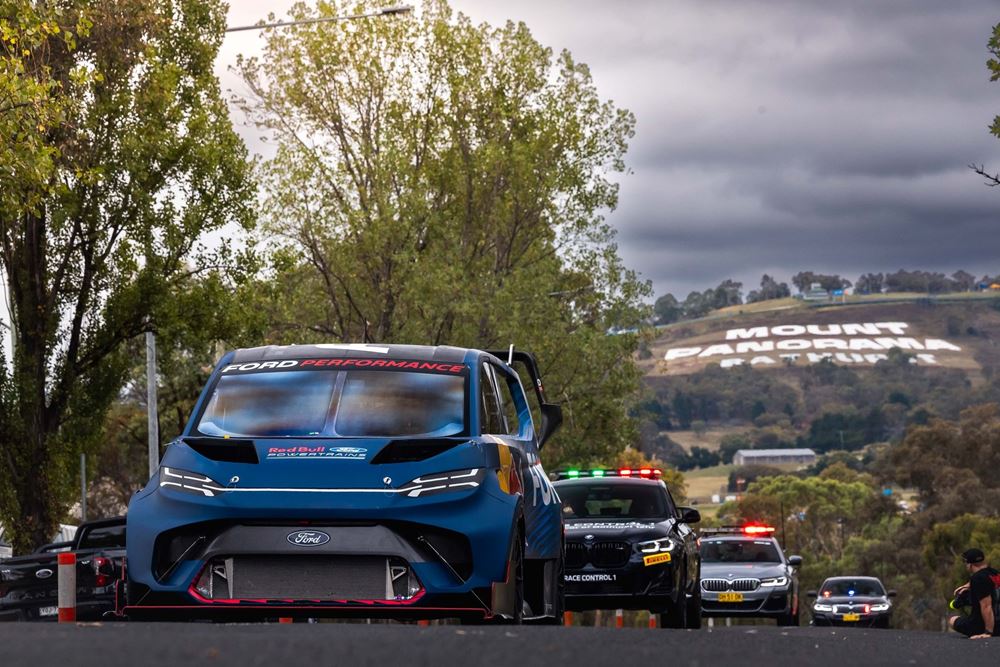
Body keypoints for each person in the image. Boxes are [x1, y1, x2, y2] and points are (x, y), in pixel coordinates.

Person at [949, 548, 999, 640]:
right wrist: (968, 585)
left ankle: (988, 630)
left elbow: (986, 606)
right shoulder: (994, 573)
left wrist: (988, 632)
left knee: (952, 620)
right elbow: (986, 581)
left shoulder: (978, 579)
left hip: (982, 626)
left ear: (970, 564)